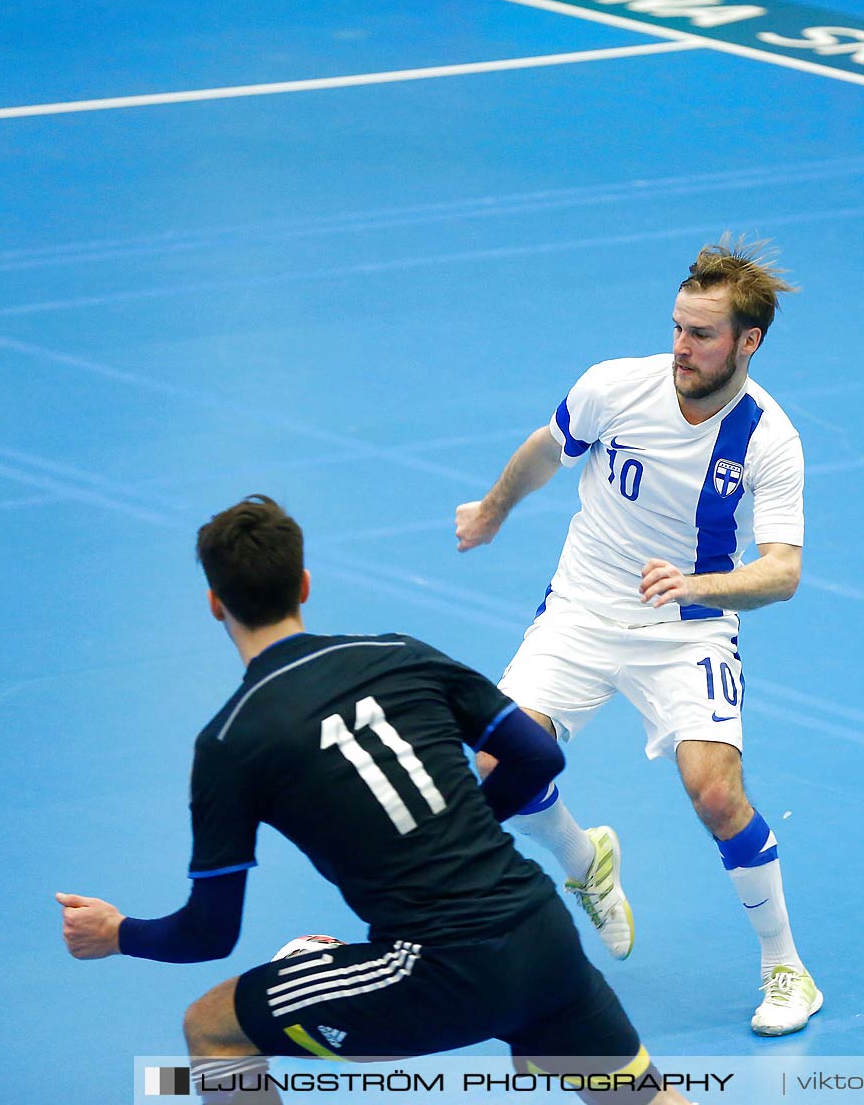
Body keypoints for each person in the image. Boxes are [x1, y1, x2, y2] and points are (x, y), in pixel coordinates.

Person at [56, 495, 694, 1105]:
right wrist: (461, 822)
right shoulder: (399, 654)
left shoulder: (232, 740)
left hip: (435, 968)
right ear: (303, 585)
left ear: (214, 604)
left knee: (214, 1027)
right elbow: (540, 756)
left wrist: (118, 934)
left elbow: (210, 933)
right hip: (540, 931)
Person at [454, 237, 818, 1036]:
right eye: (678, 328)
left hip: (685, 628)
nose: (681, 348)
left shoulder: (768, 438)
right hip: (580, 610)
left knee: (717, 795)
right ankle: (585, 862)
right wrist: (492, 510)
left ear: (747, 342)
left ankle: (786, 966)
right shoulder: (615, 386)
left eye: (702, 335)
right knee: (494, 768)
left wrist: (698, 584)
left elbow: (783, 572)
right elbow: (547, 450)